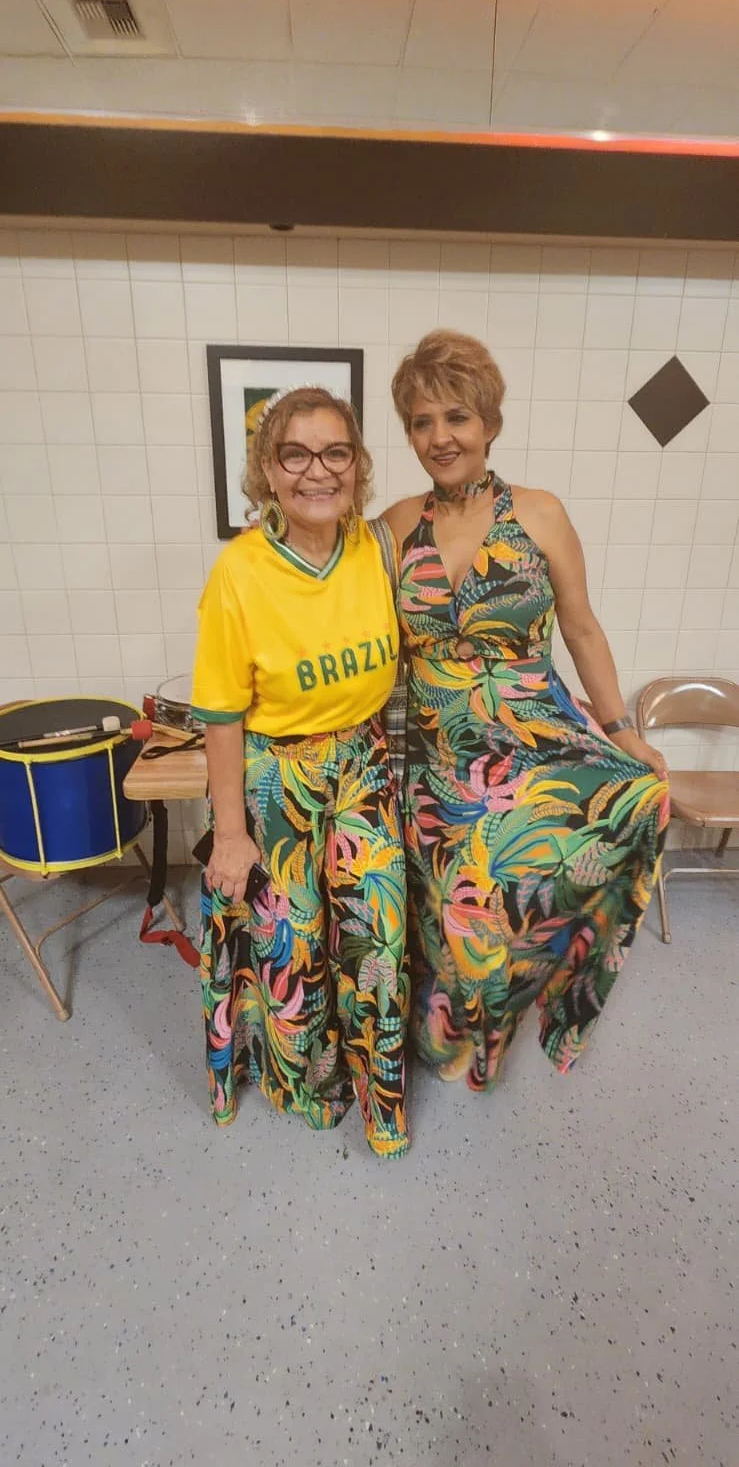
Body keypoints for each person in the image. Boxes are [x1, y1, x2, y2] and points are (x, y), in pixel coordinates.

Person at [381, 329, 669, 1091]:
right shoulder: (391, 525)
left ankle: (504, 1019)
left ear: (489, 424)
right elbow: (359, 637)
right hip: (443, 754)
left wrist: (620, 731)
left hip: (536, 739)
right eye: (420, 422)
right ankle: (454, 1034)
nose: (439, 438)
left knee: (577, 844)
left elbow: (579, 627)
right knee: (460, 915)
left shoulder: (538, 513)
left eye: (455, 418)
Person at [191, 387, 409, 1159]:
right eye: (295, 454)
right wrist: (230, 834)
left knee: (379, 937)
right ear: (267, 471)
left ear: (357, 465)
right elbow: (221, 713)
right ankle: (306, 1088)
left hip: (362, 763)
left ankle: (378, 1091)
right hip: (274, 776)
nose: (317, 471)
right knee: (296, 948)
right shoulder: (239, 573)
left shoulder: (374, 546)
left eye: (335, 452)